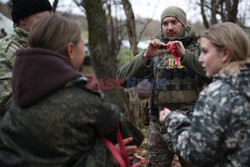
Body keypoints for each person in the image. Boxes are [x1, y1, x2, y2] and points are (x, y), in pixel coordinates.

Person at [0, 15, 144, 166]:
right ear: (70, 50)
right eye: (82, 45)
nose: (84, 51)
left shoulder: (20, 94)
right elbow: (127, 134)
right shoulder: (85, 101)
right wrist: (107, 157)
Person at [117, 6, 209, 167]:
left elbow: (212, 74)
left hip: (191, 124)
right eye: (165, 23)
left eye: (174, 22)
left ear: (183, 23)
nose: (169, 27)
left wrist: (185, 56)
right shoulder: (155, 49)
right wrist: (145, 56)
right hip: (158, 124)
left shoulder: (198, 49)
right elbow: (122, 80)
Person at [159, 22, 250, 167]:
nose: (200, 58)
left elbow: (196, 155)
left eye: (205, 52)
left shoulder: (216, 95)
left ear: (225, 54)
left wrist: (173, 120)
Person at [0, 0, 52, 119]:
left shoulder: (48, 47)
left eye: (50, 19)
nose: (48, 25)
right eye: (42, 19)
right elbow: (8, 105)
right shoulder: (4, 52)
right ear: (22, 20)